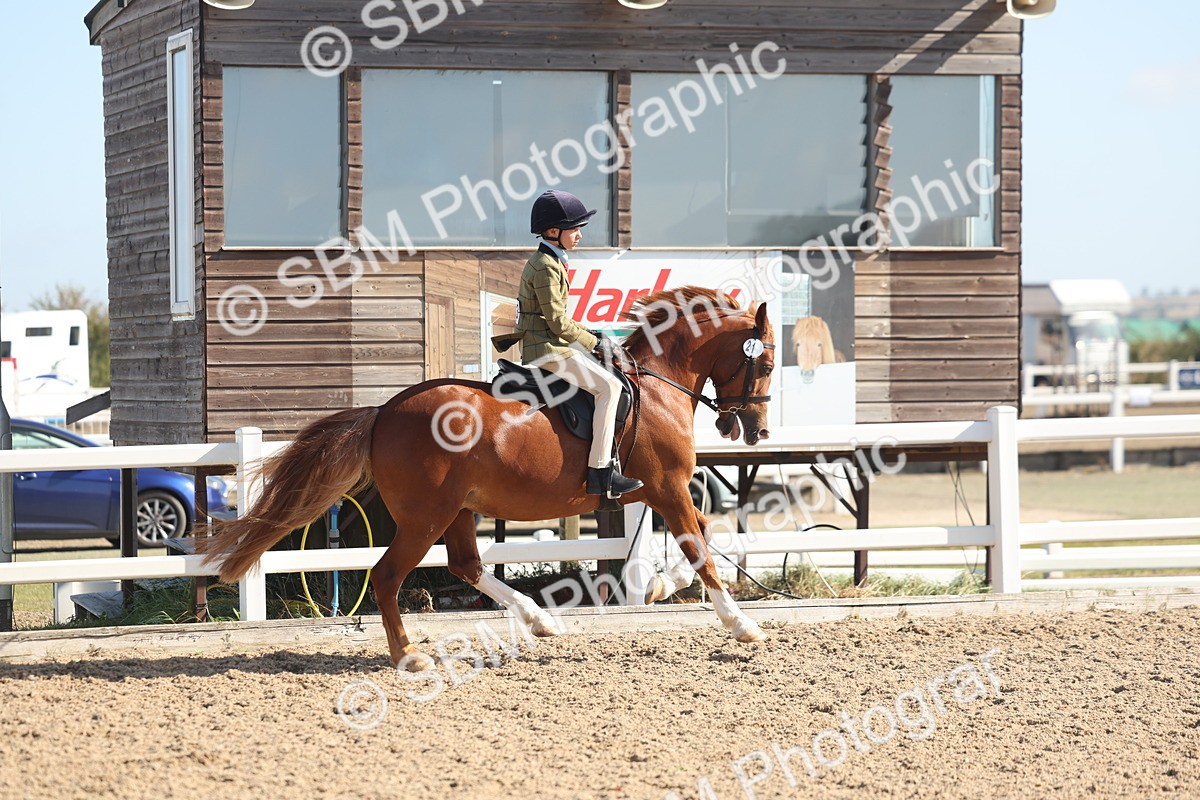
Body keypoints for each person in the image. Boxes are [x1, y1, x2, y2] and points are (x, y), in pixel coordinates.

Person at [516, 189, 643, 499]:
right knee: (609, 388)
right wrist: (595, 343)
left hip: (551, 344)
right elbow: (558, 322)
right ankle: (601, 473)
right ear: (552, 231)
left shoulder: (552, 260)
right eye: (575, 228)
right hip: (546, 350)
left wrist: (593, 336)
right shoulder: (546, 266)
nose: (580, 235)